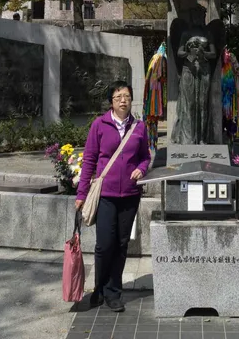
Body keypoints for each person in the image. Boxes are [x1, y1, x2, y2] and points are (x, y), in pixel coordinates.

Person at [75, 80, 151, 312]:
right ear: (111, 101)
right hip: (106, 194)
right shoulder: (99, 125)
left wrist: (142, 168)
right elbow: (89, 160)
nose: (123, 100)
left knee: (120, 244)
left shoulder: (139, 127)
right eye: (118, 96)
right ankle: (98, 287)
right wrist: (81, 194)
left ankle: (113, 292)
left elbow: (146, 156)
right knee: (104, 244)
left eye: (126, 96)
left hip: (129, 194)